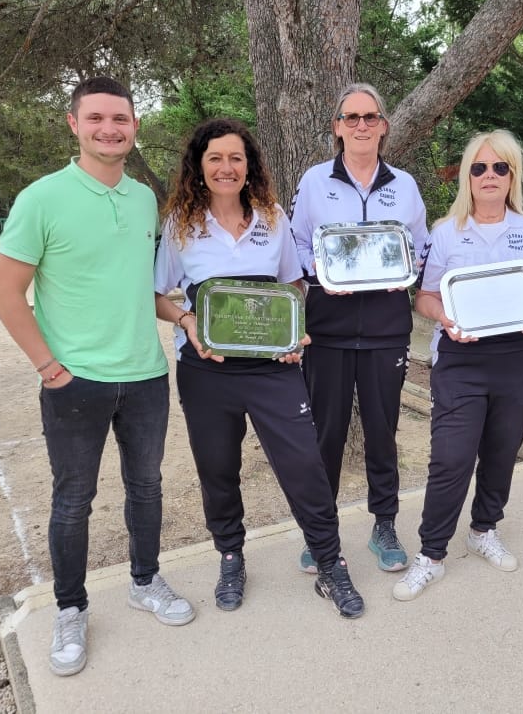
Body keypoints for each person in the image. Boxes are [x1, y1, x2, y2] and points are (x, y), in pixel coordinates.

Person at [0, 77, 194, 678]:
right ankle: (71, 608)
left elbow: (146, 288)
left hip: (147, 376)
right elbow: (7, 294)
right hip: (74, 381)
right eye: (97, 118)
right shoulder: (42, 198)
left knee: (147, 488)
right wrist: (50, 368)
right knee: (73, 500)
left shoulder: (141, 202)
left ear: (135, 127)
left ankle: (145, 581)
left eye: (122, 119)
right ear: (73, 124)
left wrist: (186, 313)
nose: (111, 129)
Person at [153, 118, 365, 619]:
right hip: (206, 373)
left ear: (249, 167)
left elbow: (293, 286)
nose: (226, 167)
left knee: (304, 466)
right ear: (198, 167)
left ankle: (331, 563)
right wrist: (186, 320)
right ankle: (230, 557)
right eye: (215, 159)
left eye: (236, 158)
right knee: (218, 470)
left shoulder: (272, 216)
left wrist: (293, 337)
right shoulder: (180, 224)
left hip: (274, 369)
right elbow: (158, 296)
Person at [393, 129, 523, 601]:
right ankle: (431, 554)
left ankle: (484, 529)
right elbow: (423, 297)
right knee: (451, 457)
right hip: (461, 358)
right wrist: (443, 314)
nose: (489, 176)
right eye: (479, 168)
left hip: (519, 357)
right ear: (467, 176)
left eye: (499, 167)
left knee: (502, 452)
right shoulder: (445, 233)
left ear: (511, 176)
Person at [290, 83, 429, 574]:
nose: (362, 126)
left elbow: (420, 248)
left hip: (387, 330)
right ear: (337, 127)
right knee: (324, 435)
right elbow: (297, 246)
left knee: (382, 432)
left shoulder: (405, 186)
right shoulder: (312, 183)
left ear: (384, 126)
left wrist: (405, 273)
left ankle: (384, 524)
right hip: (327, 328)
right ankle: (320, 532)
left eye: (370, 117)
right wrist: (324, 276)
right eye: (351, 118)